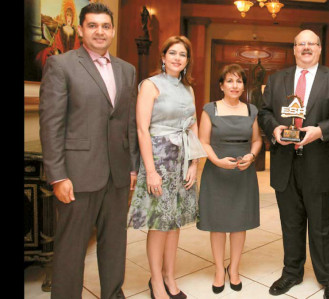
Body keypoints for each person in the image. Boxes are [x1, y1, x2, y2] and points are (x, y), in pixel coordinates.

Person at [39, 3, 139, 298]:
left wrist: (132, 166)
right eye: (92, 25)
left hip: (117, 174)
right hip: (78, 175)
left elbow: (129, 122)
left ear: (113, 31)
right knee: (71, 247)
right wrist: (58, 176)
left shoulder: (127, 70)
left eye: (105, 26)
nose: (99, 31)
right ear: (81, 29)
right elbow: (51, 126)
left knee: (114, 242)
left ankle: (113, 293)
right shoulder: (62, 65)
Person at [258, 29, 329, 299]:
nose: (307, 48)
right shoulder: (277, 80)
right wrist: (275, 130)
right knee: (291, 222)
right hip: (285, 162)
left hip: (320, 161)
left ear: (320, 48)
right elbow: (264, 113)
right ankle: (291, 272)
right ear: (294, 49)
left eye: (312, 43)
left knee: (322, 225)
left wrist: (320, 131)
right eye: (302, 44)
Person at [127, 35, 206, 299]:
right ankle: (156, 281)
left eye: (182, 54)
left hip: (182, 160)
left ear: (187, 61)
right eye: (172, 53)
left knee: (174, 223)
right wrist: (150, 170)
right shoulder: (150, 85)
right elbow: (141, 128)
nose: (177, 58)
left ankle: (170, 277)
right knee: (159, 223)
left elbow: (193, 125)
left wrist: (194, 163)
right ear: (162, 57)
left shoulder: (188, 88)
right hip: (159, 159)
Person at [197, 64, 262, 294]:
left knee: (238, 224)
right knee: (218, 224)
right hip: (216, 171)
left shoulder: (251, 110)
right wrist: (216, 161)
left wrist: (252, 156)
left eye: (239, 81)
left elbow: (256, 140)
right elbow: (203, 141)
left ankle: (233, 269)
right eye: (230, 81)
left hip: (242, 172)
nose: (235, 86)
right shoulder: (210, 109)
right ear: (221, 85)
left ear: (244, 86)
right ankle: (218, 269)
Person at [36, 1, 81, 69]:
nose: (69, 18)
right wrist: (57, 52)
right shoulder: (61, 29)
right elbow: (56, 44)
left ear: (73, 17)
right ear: (65, 16)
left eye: (70, 15)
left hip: (71, 57)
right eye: (67, 15)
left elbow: (76, 47)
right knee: (45, 53)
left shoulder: (74, 32)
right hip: (60, 54)